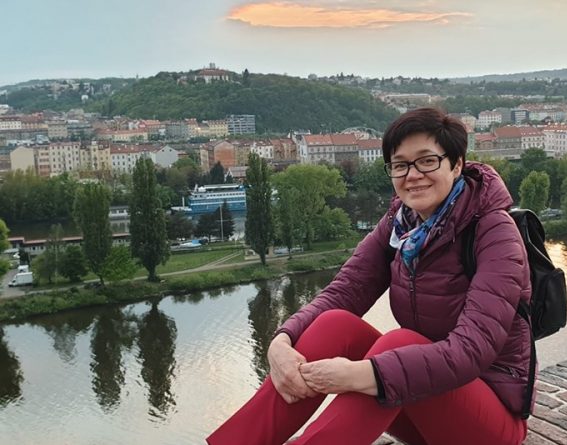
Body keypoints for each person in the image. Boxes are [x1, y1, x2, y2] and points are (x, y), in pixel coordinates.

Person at [207, 107, 532, 445]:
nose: (412, 175)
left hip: (487, 423)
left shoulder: (494, 233)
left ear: (456, 164)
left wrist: (359, 374)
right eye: (400, 165)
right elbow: (343, 292)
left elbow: (470, 351)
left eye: (427, 161)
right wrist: (282, 340)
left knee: (399, 343)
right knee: (335, 324)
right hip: (417, 401)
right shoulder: (401, 225)